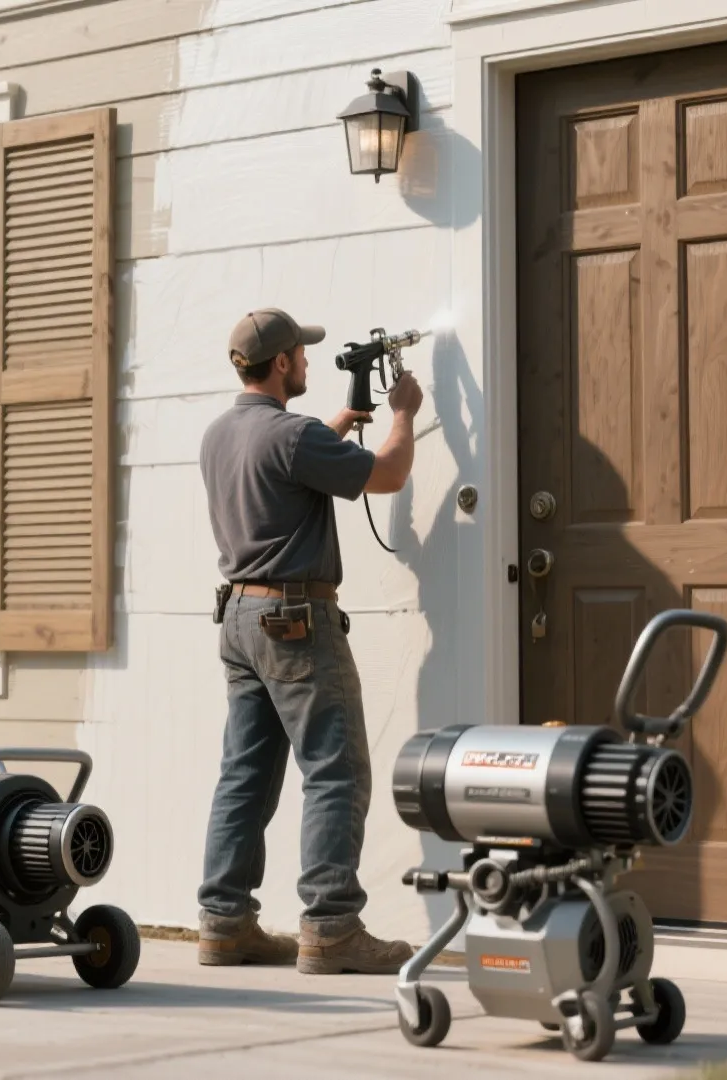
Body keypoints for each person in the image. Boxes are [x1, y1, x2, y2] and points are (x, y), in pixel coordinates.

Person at [195, 307, 423, 973]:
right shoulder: (293, 437)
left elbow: (277, 473)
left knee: (244, 774)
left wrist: (335, 430)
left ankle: (224, 922)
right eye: (302, 354)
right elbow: (388, 475)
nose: (309, 362)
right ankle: (331, 927)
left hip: (239, 618)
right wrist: (403, 412)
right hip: (295, 622)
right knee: (334, 768)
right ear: (283, 362)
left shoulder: (220, 434)